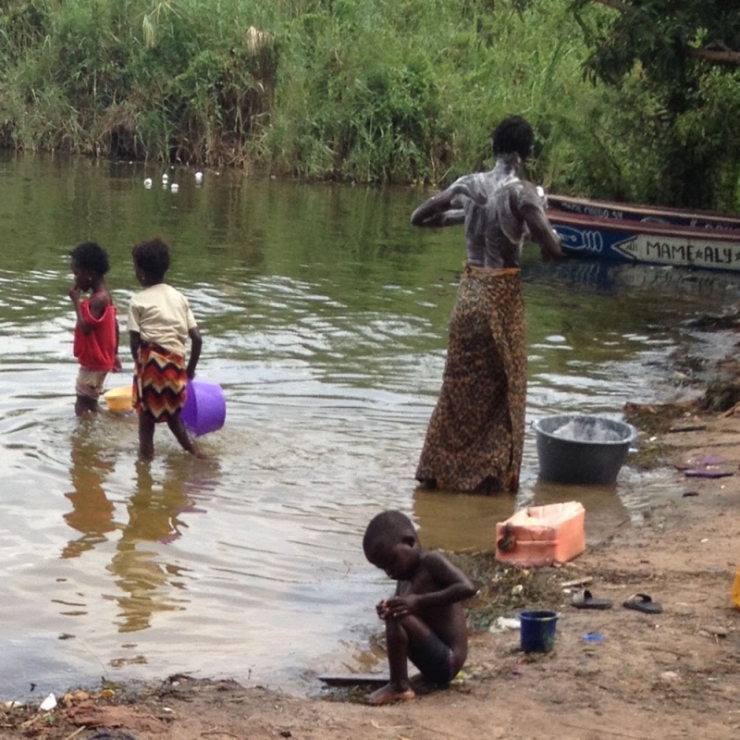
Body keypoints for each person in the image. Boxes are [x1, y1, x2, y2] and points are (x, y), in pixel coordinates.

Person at [410, 115, 563, 493]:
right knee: (505, 391)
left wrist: (462, 217)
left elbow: (420, 218)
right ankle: (489, 479)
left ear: (494, 149)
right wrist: (544, 231)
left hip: (468, 298)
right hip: (501, 299)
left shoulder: (467, 184)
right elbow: (551, 246)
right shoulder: (523, 193)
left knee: (457, 389)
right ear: (523, 154)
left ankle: (437, 471)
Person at [362, 509, 477, 705]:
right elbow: (406, 611)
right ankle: (398, 682)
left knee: (396, 614)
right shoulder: (403, 579)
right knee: (394, 611)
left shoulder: (432, 562)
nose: (390, 572)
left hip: (449, 661)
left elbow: (467, 588)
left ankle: (399, 687)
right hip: (433, 664)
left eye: (391, 562)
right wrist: (386, 607)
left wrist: (418, 602)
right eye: (384, 568)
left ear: (409, 542)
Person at [127, 237, 203, 459]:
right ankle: (195, 454)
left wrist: (141, 370)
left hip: (151, 365)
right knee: (173, 417)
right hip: (175, 366)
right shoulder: (180, 298)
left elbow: (134, 344)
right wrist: (189, 371)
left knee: (145, 422)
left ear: (141, 273)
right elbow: (197, 339)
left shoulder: (137, 301)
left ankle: (144, 467)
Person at [69, 241, 121, 417]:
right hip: (101, 362)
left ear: (89, 273)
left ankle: (84, 440)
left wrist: (76, 302)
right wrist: (115, 354)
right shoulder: (106, 295)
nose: (75, 279)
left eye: (77, 274)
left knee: (81, 407)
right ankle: (113, 420)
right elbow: (115, 326)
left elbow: (85, 328)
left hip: (93, 364)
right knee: (91, 403)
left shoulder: (98, 300)